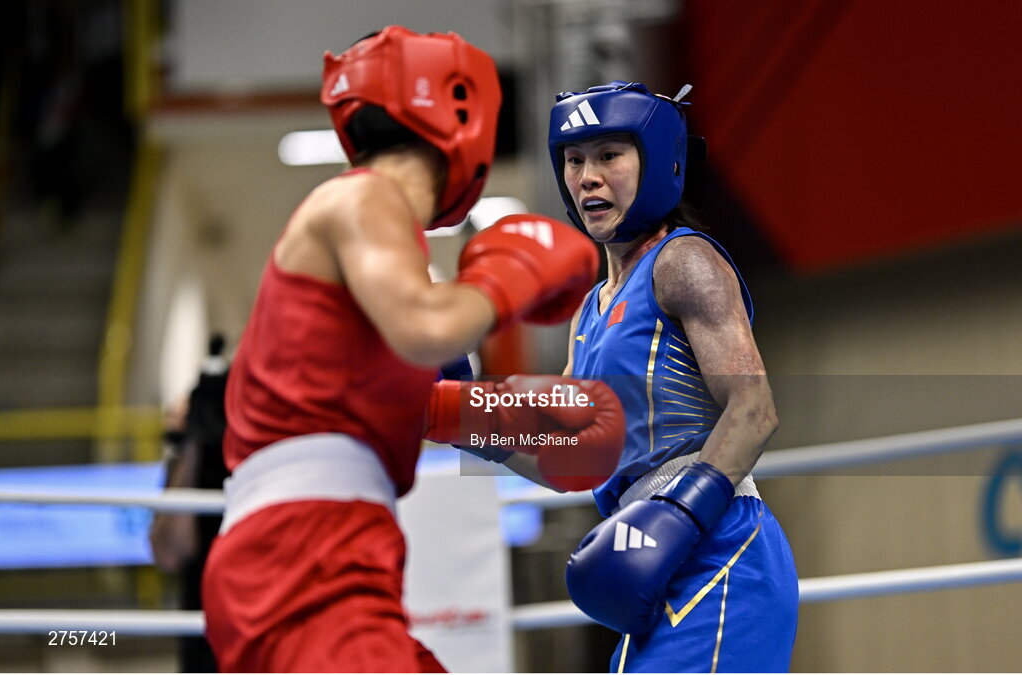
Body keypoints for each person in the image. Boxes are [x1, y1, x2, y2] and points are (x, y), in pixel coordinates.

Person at [200, 26, 626, 673]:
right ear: (462, 105)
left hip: (318, 554)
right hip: (306, 556)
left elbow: (558, 452)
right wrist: (512, 273)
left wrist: (499, 418)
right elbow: (428, 328)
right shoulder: (365, 197)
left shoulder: (379, 285)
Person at [544, 82, 799, 671]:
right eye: (575, 159)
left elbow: (754, 409)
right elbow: (570, 449)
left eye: (610, 155)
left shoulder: (683, 262)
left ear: (659, 160)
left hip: (719, 548)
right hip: (650, 557)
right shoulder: (589, 310)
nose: (587, 176)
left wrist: (678, 513)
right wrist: (465, 413)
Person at [149, 335, 230, 673]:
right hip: (202, 640)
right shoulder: (185, 464)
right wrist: (192, 445)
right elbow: (168, 553)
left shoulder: (269, 457)